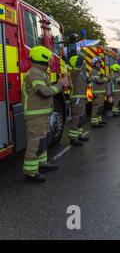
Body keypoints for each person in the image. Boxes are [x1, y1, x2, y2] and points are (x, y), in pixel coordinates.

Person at [23, 46, 69, 183]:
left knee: (43, 139)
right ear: (42, 58)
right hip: (35, 115)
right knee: (36, 142)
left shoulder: (40, 72)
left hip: (41, 114)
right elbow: (43, 92)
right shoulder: (34, 73)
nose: (50, 61)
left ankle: (42, 164)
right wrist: (59, 85)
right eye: (48, 58)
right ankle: (30, 172)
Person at [67, 55, 89, 146]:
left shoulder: (79, 74)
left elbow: (83, 85)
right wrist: (80, 59)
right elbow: (77, 69)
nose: (82, 65)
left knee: (81, 118)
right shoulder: (73, 72)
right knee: (76, 119)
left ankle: (79, 135)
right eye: (80, 64)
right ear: (76, 64)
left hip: (81, 99)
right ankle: (73, 138)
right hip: (76, 99)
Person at [90, 57, 107, 128]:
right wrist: (105, 79)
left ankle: (99, 120)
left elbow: (101, 79)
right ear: (94, 64)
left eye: (99, 63)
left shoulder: (99, 71)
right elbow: (98, 81)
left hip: (101, 93)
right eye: (97, 63)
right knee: (96, 108)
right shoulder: (93, 71)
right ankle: (94, 123)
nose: (99, 64)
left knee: (100, 108)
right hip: (96, 93)